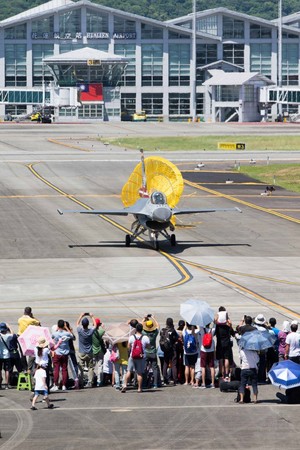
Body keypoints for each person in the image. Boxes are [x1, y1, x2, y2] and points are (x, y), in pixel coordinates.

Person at [121, 323, 150, 393]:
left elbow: (128, 347)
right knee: (139, 373)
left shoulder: (131, 337)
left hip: (132, 356)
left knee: (129, 371)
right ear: (142, 329)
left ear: (136, 329)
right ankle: (139, 388)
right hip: (141, 357)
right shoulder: (145, 337)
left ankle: (124, 385)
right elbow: (148, 346)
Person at [51, 320, 74, 391]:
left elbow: (51, 338)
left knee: (56, 369)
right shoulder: (67, 334)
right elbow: (72, 335)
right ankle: (64, 385)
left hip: (57, 353)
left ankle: (55, 384)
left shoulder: (55, 334)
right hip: (65, 353)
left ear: (58, 326)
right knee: (64, 369)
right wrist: (67, 328)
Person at [18, 307, 41, 373]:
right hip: (28, 337)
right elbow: (39, 323)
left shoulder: (20, 319)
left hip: (21, 337)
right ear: (30, 312)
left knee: (22, 353)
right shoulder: (31, 320)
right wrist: (33, 317)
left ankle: (25, 367)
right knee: (31, 352)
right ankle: (30, 366)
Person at [76, 313, 96, 388]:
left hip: (82, 352)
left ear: (82, 324)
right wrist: (92, 316)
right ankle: (90, 382)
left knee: (81, 368)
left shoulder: (80, 331)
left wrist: (81, 315)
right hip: (89, 352)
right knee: (90, 368)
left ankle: (81, 382)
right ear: (88, 324)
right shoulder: (90, 331)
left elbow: (77, 323)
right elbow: (95, 325)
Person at [215, 307, 234, 381]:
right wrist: (230, 324)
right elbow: (232, 333)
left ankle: (221, 373)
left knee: (220, 359)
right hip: (227, 343)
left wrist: (216, 320)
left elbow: (214, 332)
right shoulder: (227, 325)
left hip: (219, 343)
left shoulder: (217, 326)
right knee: (226, 358)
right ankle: (226, 374)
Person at [142, 314, 160, 389]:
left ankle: (144, 383)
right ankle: (155, 384)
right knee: (155, 368)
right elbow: (158, 326)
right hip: (153, 352)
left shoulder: (144, 333)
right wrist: (153, 318)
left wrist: (144, 318)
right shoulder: (154, 333)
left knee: (145, 368)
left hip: (146, 352)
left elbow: (140, 325)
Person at [160, 318, 179, 385]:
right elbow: (176, 338)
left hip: (165, 349)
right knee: (174, 364)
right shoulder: (172, 330)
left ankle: (165, 379)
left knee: (165, 363)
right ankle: (175, 379)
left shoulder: (162, 330)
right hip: (172, 349)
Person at [199, 322, 216, 389]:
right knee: (212, 366)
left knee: (203, 367)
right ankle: (213, 383)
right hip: (211, 350)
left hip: (203, 350)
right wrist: (214, 322)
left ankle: (203, 383)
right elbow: (215, 326)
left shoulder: (202, 330)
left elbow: (199, 325)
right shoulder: (212, 330)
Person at [92, 318, 106, 387]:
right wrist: (103, 327)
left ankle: (91, 379)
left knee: (92, 366)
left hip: (93, 351)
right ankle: (99, 381)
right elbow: (104, 332)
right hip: (100, 350)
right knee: (100, 366)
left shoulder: (91, 331)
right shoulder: (101, 331)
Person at [0, 322, 13, 389]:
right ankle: (6, 384)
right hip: (7, 355)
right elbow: (13, 334)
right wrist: (9, 327)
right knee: (7, 370)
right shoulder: (8, 336)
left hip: (0, 355)